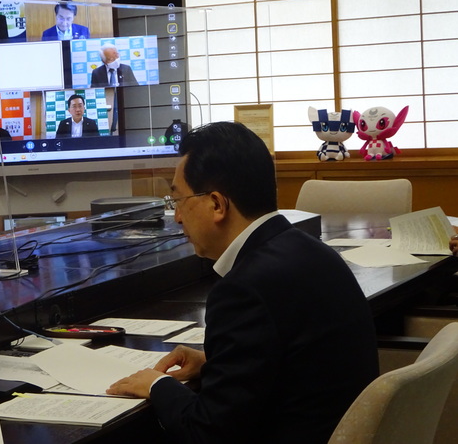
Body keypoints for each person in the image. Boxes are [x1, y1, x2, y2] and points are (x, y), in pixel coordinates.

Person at [107, 121, 379, 444]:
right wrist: (215, 366)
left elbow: (207, 433)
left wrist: (156, 385)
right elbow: (298, 364)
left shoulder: (244, 290)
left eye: (178, 200)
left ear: (217, 205)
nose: (177, 217)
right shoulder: (311, 252)